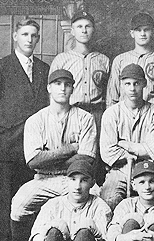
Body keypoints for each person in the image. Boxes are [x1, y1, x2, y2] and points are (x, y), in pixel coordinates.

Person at [0, 69, 97, 241]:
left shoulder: (85, 118)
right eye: (57, 83)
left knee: (98, 199)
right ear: (49, 88)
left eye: (67, 84)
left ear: (73, 88)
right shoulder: (36, 120)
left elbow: (86, 160)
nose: (62, 88)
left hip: (74, 179)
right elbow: (33, 161)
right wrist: (70, 149)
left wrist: (49, 156)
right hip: (43, 178)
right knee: (19, 204)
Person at [0, 19, 50, 241]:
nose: (29, 39)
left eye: (34, 35)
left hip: (34, 144)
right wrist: (1, 132)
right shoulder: (0, 67)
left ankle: (28, 238)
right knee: (6, 192)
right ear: (15, 37)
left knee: (31, 191)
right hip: (7, 140)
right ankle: (2, 239)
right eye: (25, 34)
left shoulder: (43, 68)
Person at [100, 64, 154, 210]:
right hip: (120, 171)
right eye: (127, 84)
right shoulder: (111, 114)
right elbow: (107, 153)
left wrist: (124, 144)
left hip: (149, 170)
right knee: (109, 199)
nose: (132, 88)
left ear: (144, 84)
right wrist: (140, 150)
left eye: (136, 83)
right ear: (121, 86)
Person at [49, 10, 110, 185]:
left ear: (93, 30)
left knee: (96, 160)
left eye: (88, 26)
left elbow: (111, 93)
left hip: (97, 114)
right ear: (72, 31)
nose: (84, 30)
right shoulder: (62, 60)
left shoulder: (103, 60)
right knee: (72, 158)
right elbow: (52, 95)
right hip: (71, 114)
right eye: (79, 26)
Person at [106, 12, 154, 112]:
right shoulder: (120, 60)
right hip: (125, 117)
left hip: (153, 117)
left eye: (146, 30)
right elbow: (112, 99)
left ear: (152, 32)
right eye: (138, 30)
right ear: (132, 33)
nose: (142, 34)